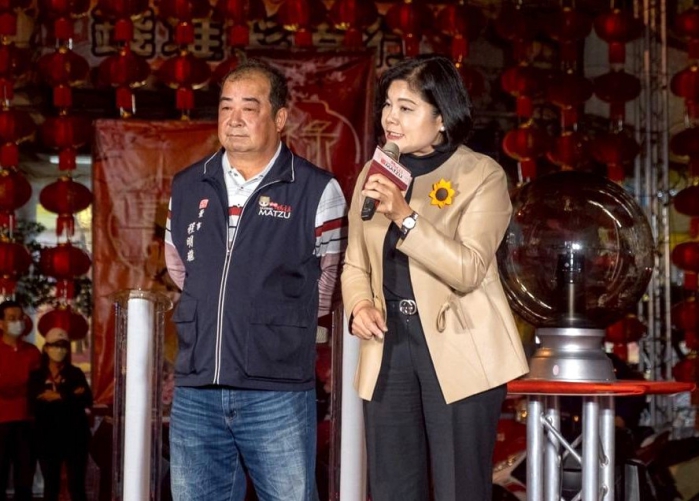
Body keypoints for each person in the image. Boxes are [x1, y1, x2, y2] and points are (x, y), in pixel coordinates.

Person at [341, 54, 529, 501]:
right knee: (391, 488)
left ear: (442, 117)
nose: (391, 118)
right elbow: (355, 262)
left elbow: (468, 269)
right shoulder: (374, 173)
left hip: (459, 348)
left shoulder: (481, 174)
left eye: (407, 108)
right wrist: (359, 304)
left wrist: (405, 217)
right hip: (389, 345)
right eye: (388, 105)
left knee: (458, 488)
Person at [164, 59, 347, 501]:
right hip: (197, 386)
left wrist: (276, 324)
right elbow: (179, 267)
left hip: (276, 388)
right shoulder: (188, 184)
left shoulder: (316, 189)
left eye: (249, 108)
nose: (234, 119)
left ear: (280, 118)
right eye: (226, 107)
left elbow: (331, 278)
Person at [28, 327, 92, 501]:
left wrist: (59, 396)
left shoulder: (75, 373)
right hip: (47, 437)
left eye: (63, 346)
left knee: (77, 485)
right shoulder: (37, 376)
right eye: (55, 345)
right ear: (46, 348)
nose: (59, 350)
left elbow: (86, 399)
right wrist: (71, 396)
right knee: (51, 485)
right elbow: (34, 403)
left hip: (75, 437)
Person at [0, 300, 40, 501]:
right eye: (12, 318)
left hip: (26, 422)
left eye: (20, 318)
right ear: (1, 323)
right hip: (1, 421)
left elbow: (37, 386)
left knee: (24, 478)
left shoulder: (32, 352)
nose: (18, 322)